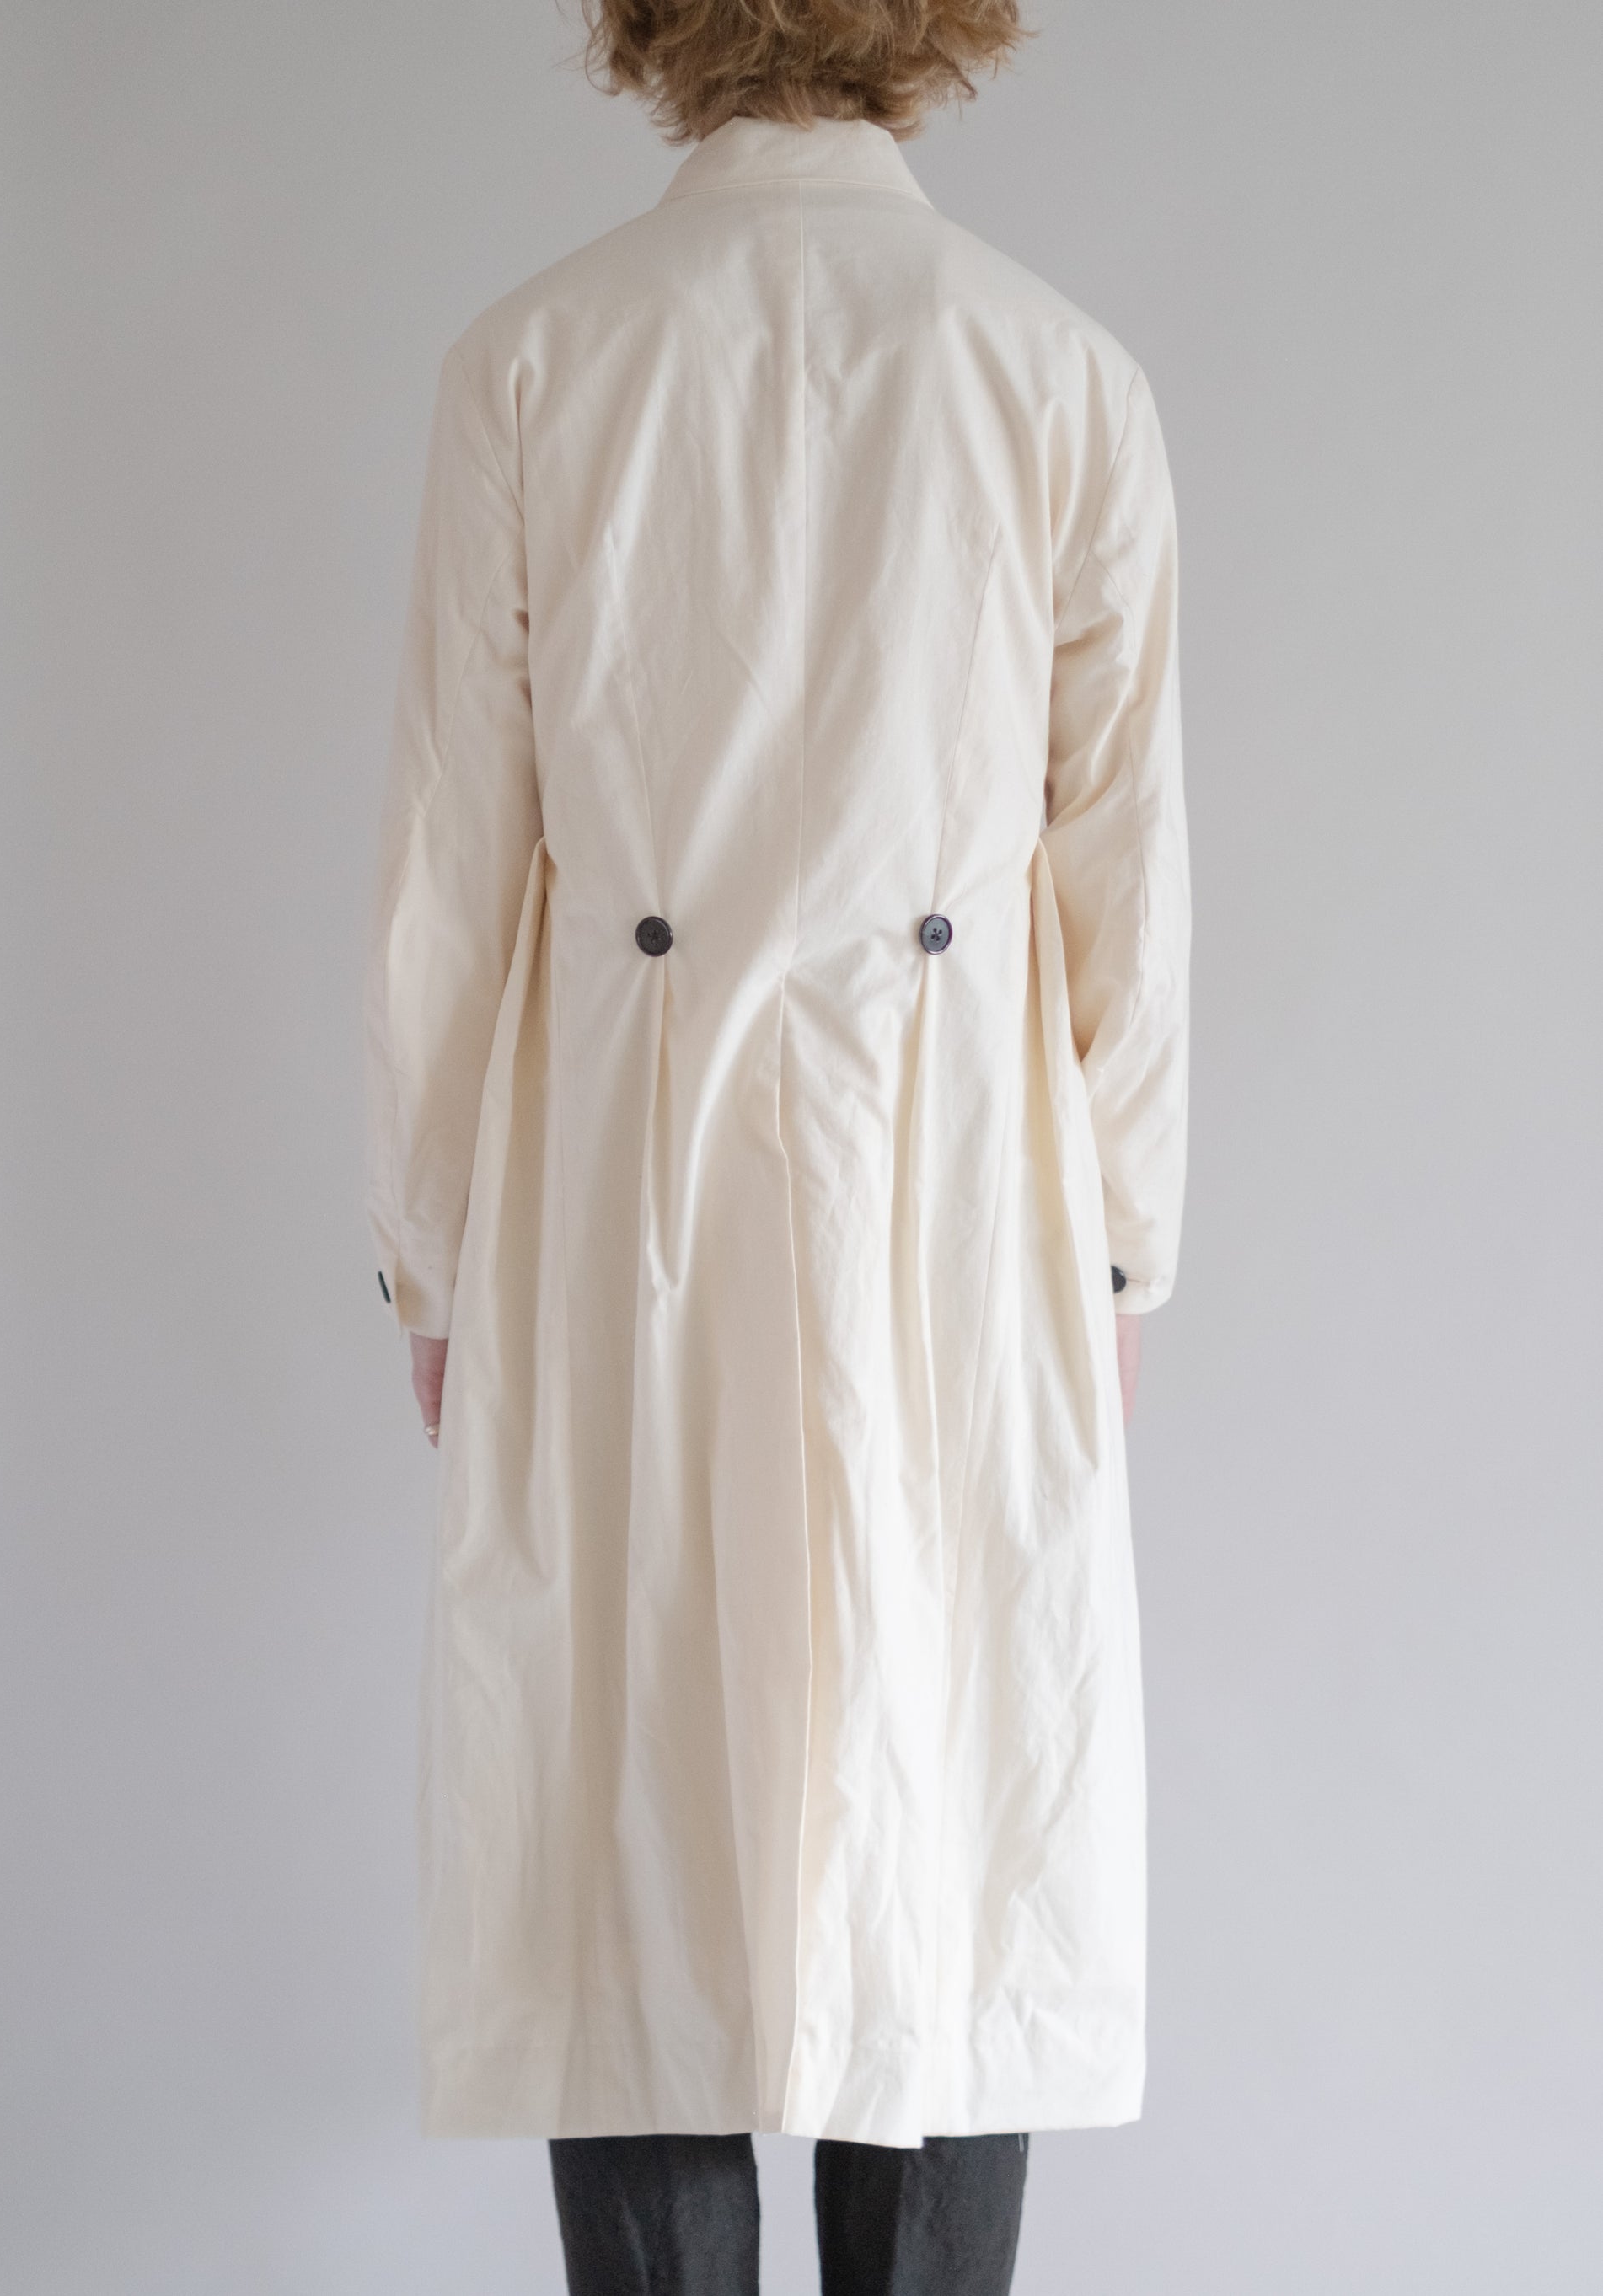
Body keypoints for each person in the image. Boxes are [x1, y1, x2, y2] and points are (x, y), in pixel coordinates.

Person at [363, 0, 1190, 2286]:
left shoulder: (532, 361)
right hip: (964, 1191)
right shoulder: (1060, 373)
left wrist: (435, 1252)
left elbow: (448, 871)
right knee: (948, 1822)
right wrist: (1117, 1252)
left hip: (620, 1185)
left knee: (628, 1823)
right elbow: (1129, 878)